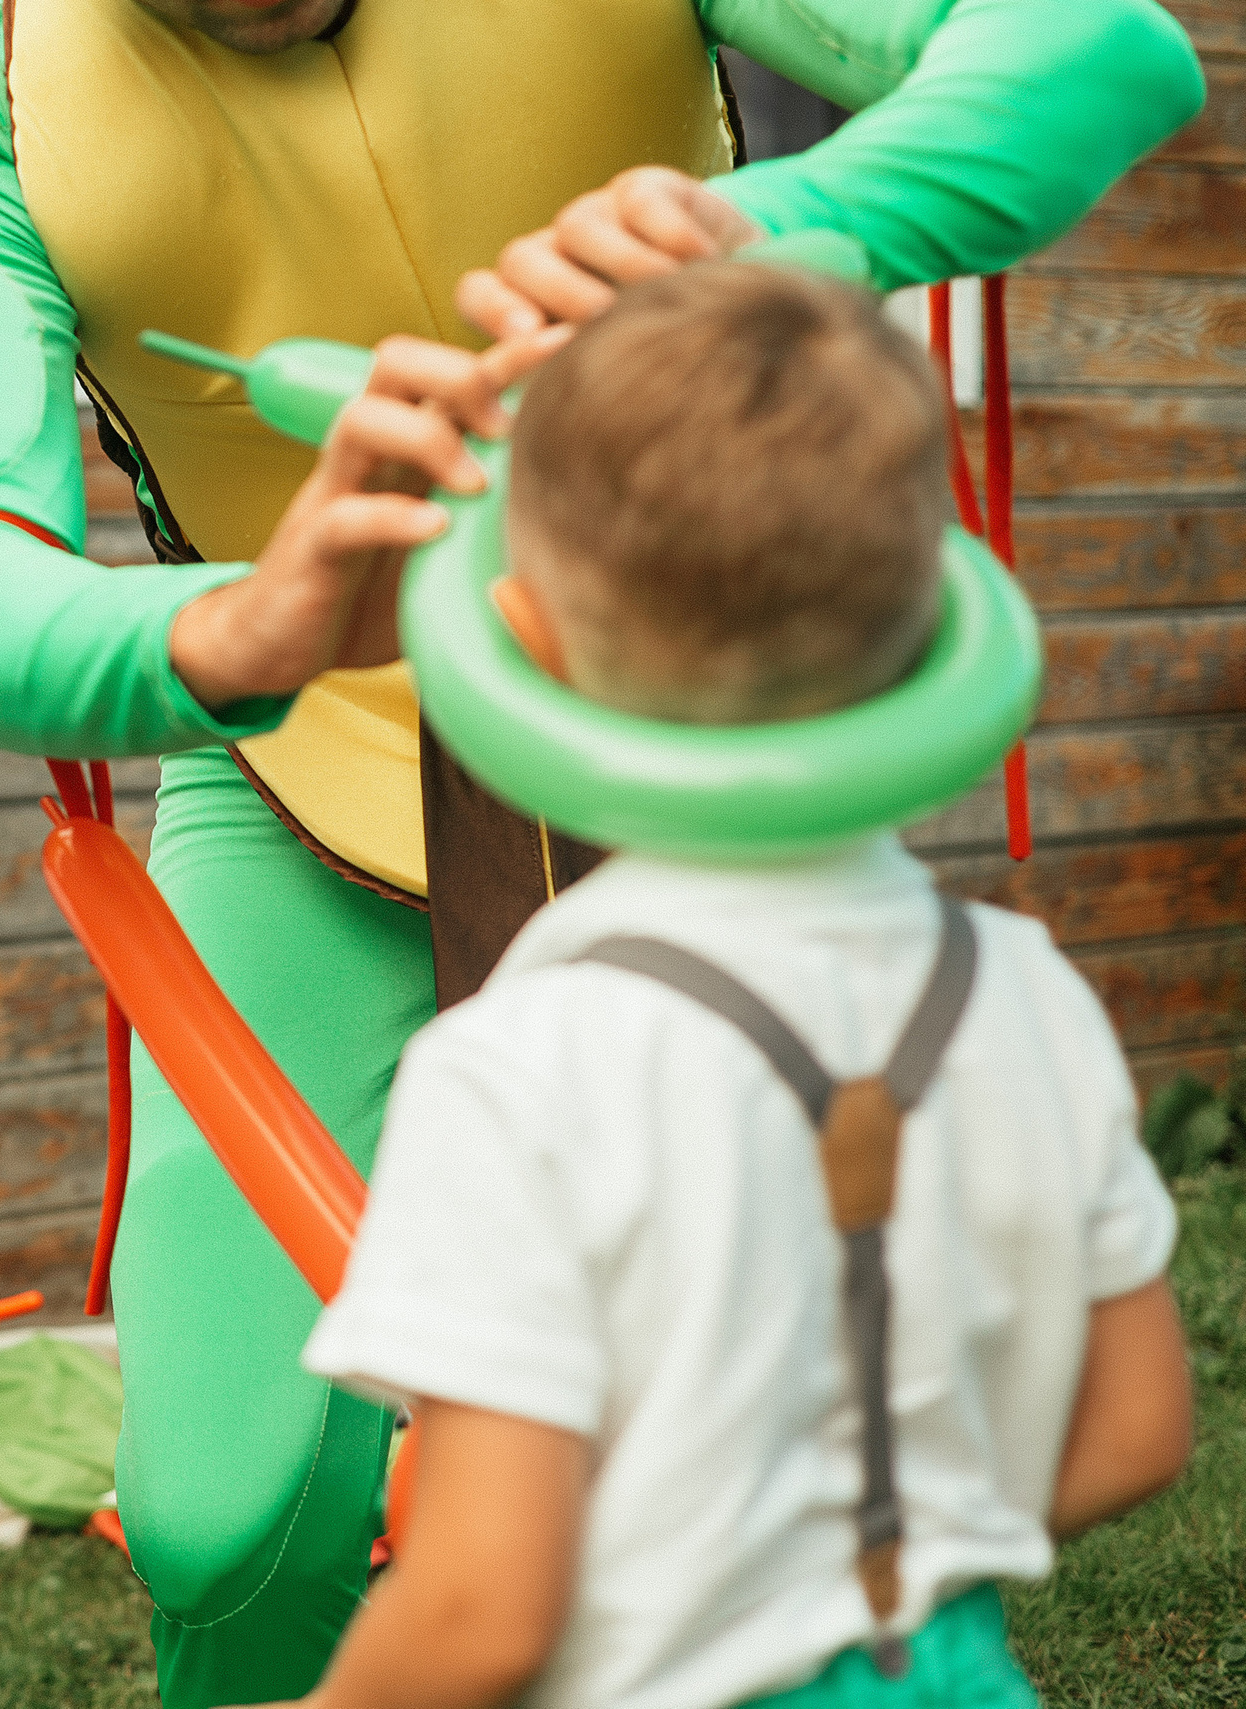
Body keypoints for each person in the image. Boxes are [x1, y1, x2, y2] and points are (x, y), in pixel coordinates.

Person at [0, 0, 1202, 1700]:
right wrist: (254, 621)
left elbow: (1100, 47)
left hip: (677, 726)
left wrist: (764, 240)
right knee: (221, 1514)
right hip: (287, 753)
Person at [285, 261, 1197, 1709]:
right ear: (929, 629)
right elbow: (1139, 1426)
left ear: (528, 639)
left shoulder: (526, 1057)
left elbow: (479, 1610)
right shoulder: (1026, 986)